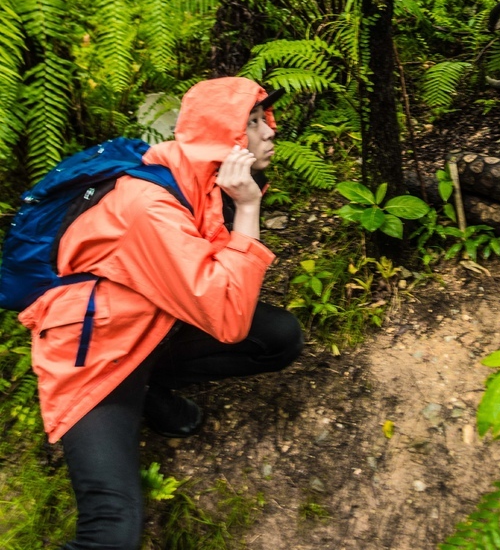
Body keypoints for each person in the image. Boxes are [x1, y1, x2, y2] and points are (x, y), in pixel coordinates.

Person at [19, 76, 303, 550]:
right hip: (93, 359)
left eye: (263, 120)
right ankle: (137, 394)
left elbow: (213, 288)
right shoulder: (150, 206)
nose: (270, 132)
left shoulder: (198, 179)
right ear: (224, 138)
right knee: (112, 527)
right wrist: (250, 207)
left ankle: (153, 387)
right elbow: (228, 316)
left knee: (279, 337)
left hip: (151, 325)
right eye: (253, 123)